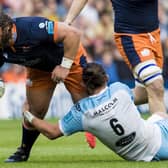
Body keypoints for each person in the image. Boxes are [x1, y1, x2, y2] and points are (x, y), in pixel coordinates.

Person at [23, 62, 168, 162]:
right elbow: (144, 95)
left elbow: (52, 132)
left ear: (83, 84)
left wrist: (28, 115)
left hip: (144, 153)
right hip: (159, 139)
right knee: (157, 103)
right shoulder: (119, 89)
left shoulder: (81, 112)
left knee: (157, 114)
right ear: (107, 78)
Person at [0, 12, 95, 163]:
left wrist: (64, 66)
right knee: (34, 112)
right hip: (38, 69)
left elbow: (73, 34)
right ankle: (23, 151)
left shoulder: (33, 28)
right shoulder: (2, 42)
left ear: (7, 28)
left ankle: (107, 134)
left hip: (68, 60)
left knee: (86, 108)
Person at [65, 0, 166, 120]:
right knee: (155, 85)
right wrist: (68, 21)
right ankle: (162, 136)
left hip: (154, 35)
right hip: (131, 36)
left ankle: (97, 104)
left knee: (145, 94)